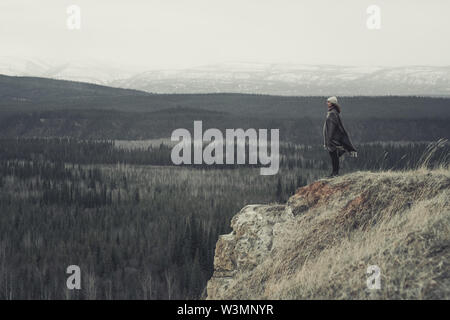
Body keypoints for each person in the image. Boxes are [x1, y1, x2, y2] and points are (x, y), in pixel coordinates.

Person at [323, 96, 357, 177]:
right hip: (332, 139)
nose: (327, 103)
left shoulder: (332, 113)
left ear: (332, 103)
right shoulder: (333, 112)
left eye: (328, 102)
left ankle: (335, 173)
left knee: (333, 156)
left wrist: (329, 140)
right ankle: (334, 172)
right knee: (334, 155)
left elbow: (331, 127)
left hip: (332, 139)